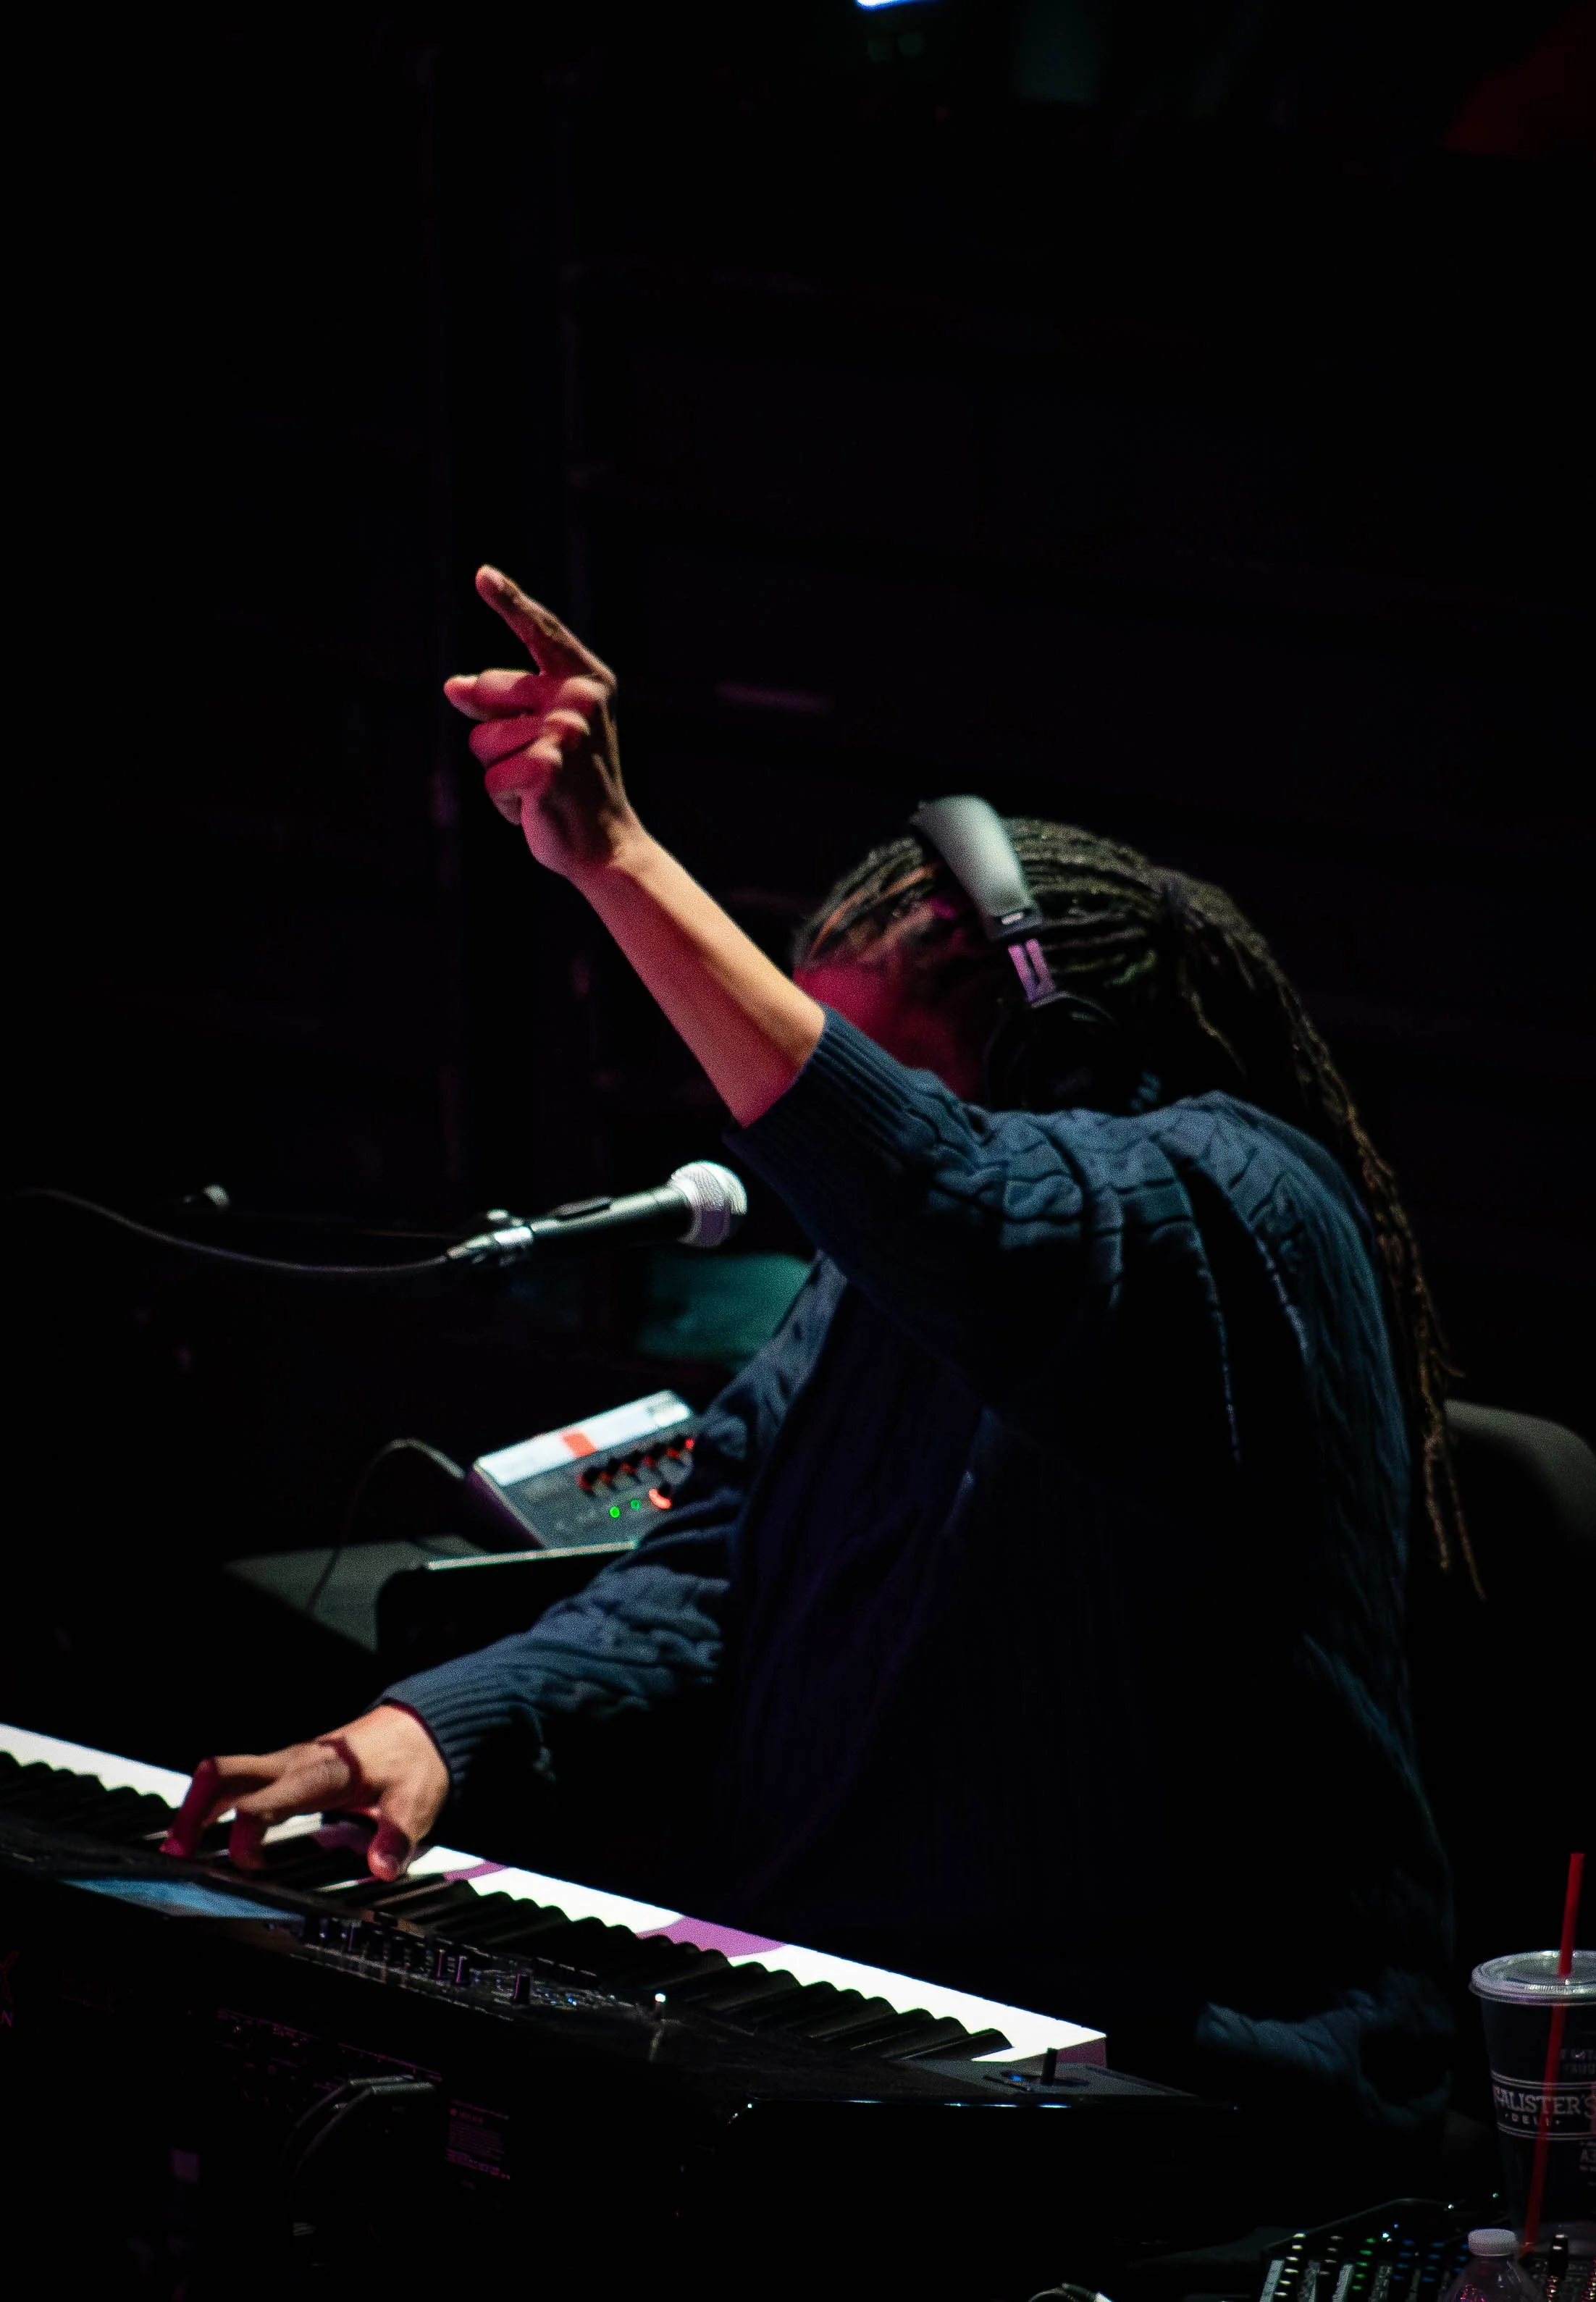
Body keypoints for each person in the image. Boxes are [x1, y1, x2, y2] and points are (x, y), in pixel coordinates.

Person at [167, 566, 1468, 2177]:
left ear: (1048, 1047)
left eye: (885, 1082)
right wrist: (440, 1725)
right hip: (875, 2036)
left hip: (1205, 2106)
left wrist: (620, 859)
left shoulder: (1231, 1202)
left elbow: (955, 1202)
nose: (838, 1163)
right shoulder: (880, 1280)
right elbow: (708, 1581)